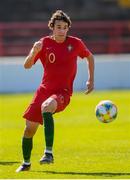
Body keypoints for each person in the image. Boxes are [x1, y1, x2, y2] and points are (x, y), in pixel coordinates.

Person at [16, 10, 94, 172]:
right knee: (29, 129)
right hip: (43, 90)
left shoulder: (76, 43)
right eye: (59, 27)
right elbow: (27, 65)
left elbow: (89, 57)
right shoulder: (43, 43)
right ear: (52, 27)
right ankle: (26, 164)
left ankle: (48, 153)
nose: (62, 30)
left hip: (63, 92)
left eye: (65, 27)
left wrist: (90, 79)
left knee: (47, 107)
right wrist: (34, 52)